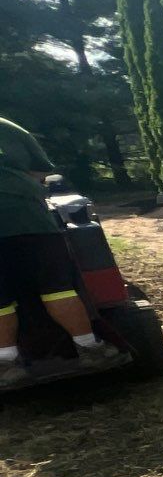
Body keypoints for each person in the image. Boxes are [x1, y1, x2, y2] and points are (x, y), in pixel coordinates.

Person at [0, 114, 121, 384]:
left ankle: (5, 365)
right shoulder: (7, 127)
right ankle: (90, 347)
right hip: (28, 217)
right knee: (57, 286)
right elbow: (42, 172)